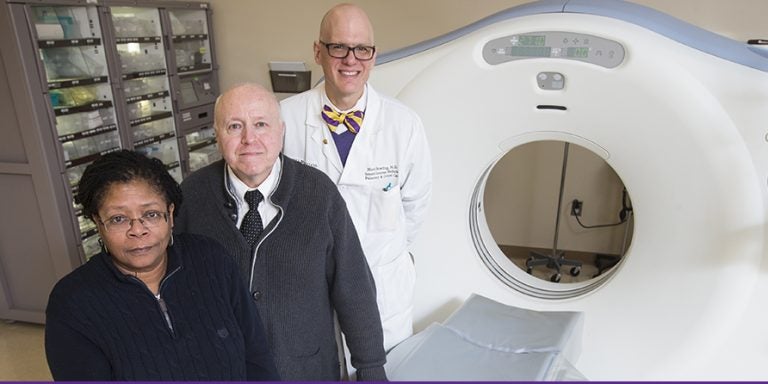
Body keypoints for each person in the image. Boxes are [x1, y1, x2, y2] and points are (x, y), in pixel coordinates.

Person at [174, 83, 387, 381]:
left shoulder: (318, 193)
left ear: (281, 131)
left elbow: (354, 286)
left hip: (304, 369)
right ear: (217, 134)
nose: (250, 139)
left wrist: (371, 367)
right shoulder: (191, 196)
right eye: (235, 126)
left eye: (261, 124)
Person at [44, 150, 279, 381]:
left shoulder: (211, 259)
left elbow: (257, 357)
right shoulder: (72, 303)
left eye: (152, 214)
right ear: (98, 222)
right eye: (118, 219)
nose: (138, 230)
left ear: (170, 212)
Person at [281, 3, 433, 351]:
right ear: (318, 51)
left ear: (374, 56)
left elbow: (415, 204)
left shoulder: (403, 124)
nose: (351, 60)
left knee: (380, 367)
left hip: (382, 283)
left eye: (362, 49)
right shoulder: (284, 119)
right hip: (309, 283)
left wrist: (387, 252)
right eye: (339, 47)